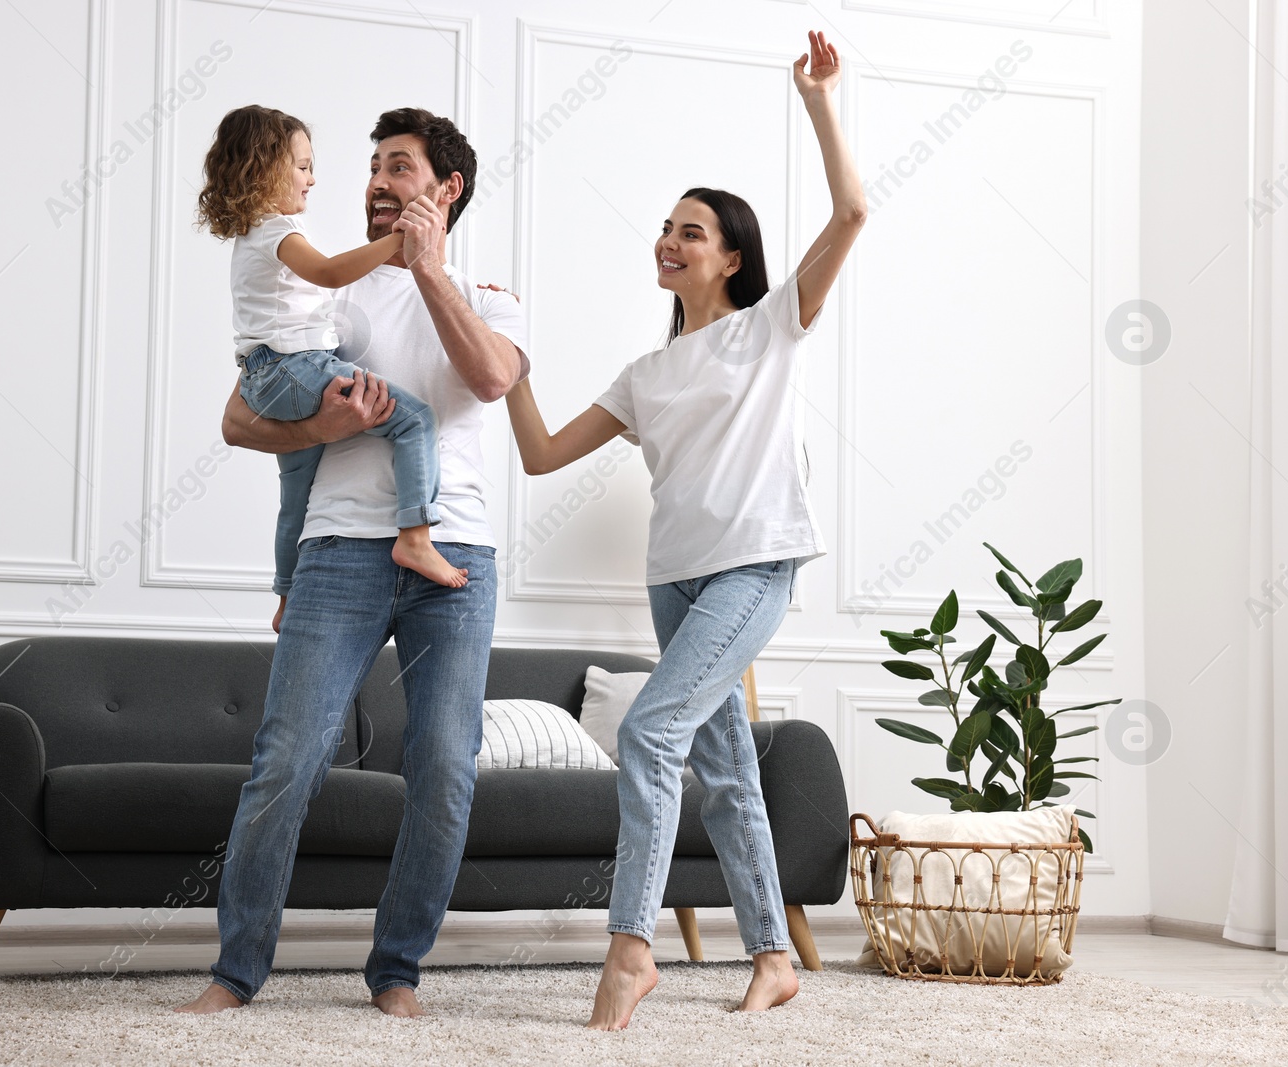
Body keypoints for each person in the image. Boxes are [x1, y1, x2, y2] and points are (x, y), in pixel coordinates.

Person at [500, 32, 865, 1030]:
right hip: (676, 581)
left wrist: (820, 103)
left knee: (652, 731)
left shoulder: (771, 325)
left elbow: (853, 212)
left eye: (691, 230)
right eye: (665, 226)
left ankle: (628, 948)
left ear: (731, 257)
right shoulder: (642, 375)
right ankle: (772, 956)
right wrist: (508, 360)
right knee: (726, 767)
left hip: (753, 565)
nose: (670, 239)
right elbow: (537, 452)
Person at [175, 107, 528, 1018]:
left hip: (455, 553)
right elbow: (238, 419)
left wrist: (430, 272)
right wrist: (320, 426)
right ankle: (237, 969)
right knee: (286, 756)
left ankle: (397, 969)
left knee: (446, 765)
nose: (375, 180)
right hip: (337, 551)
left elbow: (491, 379)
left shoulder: (492, 299)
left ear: (444, 190)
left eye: (398, 167)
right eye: (372, 165)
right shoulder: (332, 294)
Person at [197, 106, 468, 638]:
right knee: (415, 422)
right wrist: (401, 239)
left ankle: (286, 594)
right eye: (301, 167)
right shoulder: (277, 229)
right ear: (266, 169)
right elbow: (326, 272)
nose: (313, 178)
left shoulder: (252, 233)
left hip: (262, 376)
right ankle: (415, 536)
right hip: (293, 370)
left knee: (296, 491)